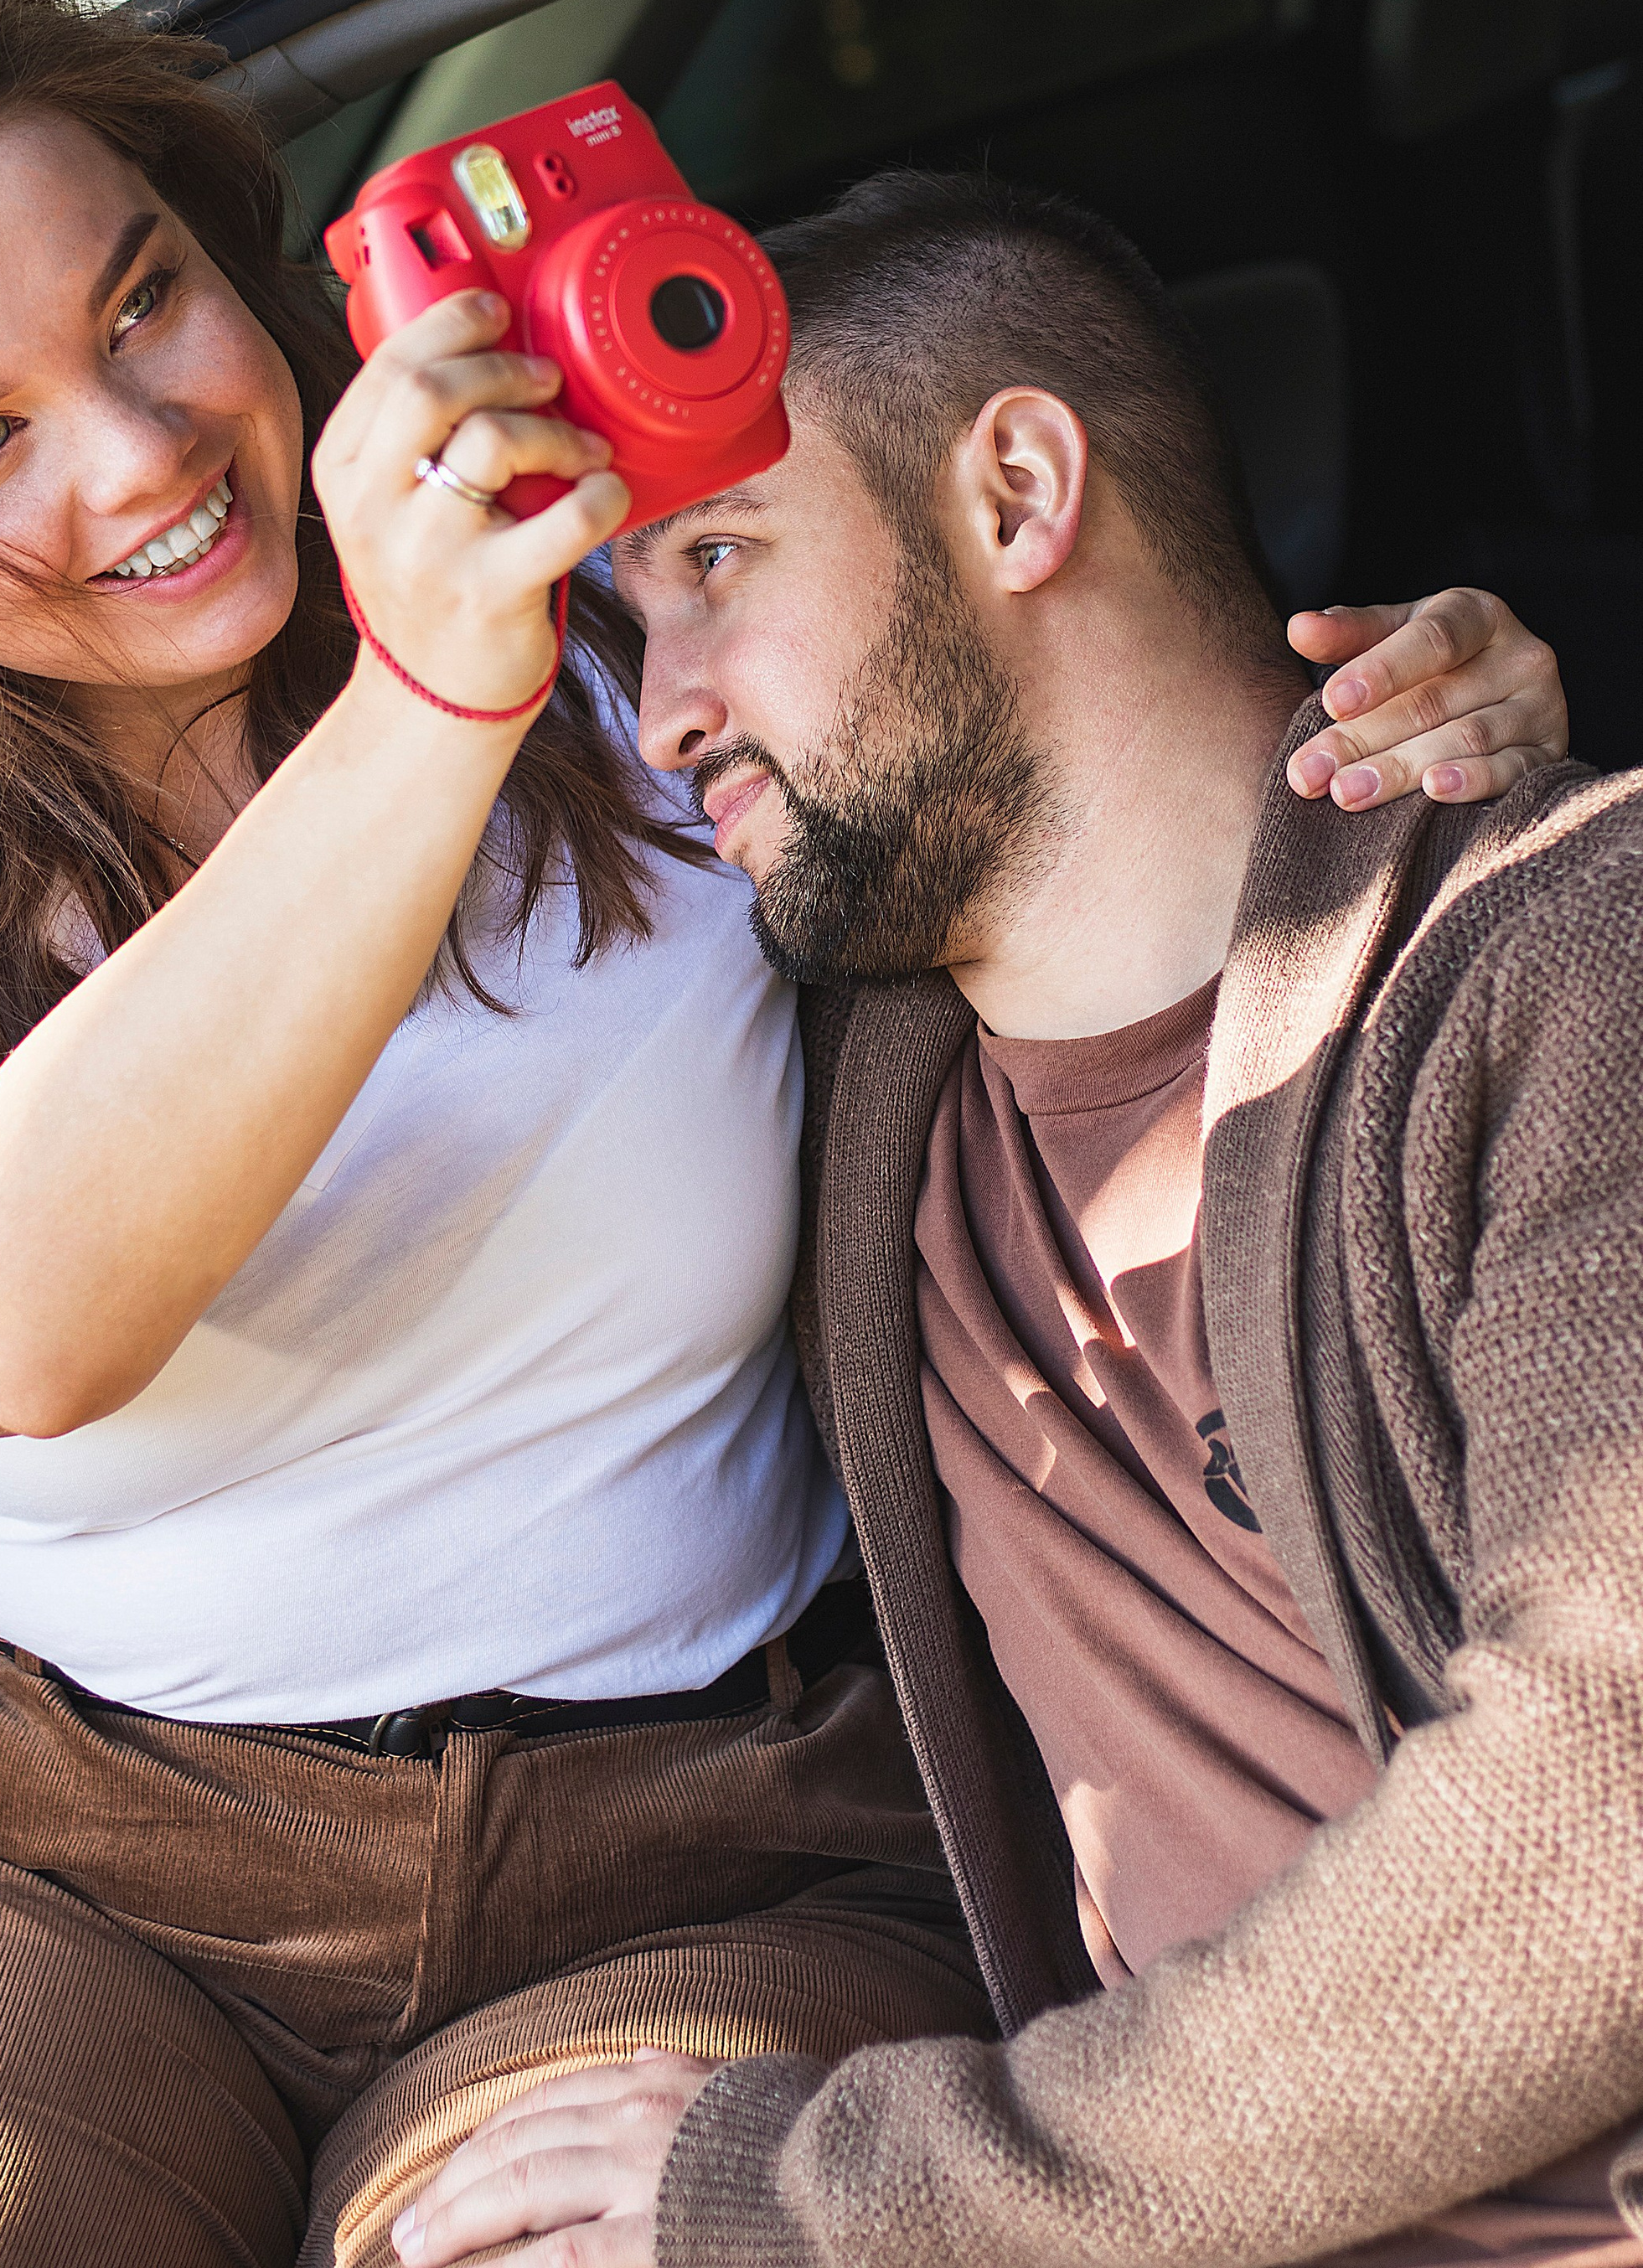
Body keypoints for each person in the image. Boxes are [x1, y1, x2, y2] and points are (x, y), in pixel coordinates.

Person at [0, 0, 1559, 2268]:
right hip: (61, 1849)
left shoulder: (630, 633)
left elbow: (1104, 741)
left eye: (146, 303)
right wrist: (426, 699)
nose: (141, 451)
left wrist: (1439, 754)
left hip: (724, 1829)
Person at [391, 167, 1643, 2268]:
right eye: (631, 623)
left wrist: (838, 2200)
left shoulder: (1561, 968)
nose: (668, 705)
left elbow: (1600, 1822)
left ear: (1014, 492)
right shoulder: (818, 1085)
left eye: (711, 558)